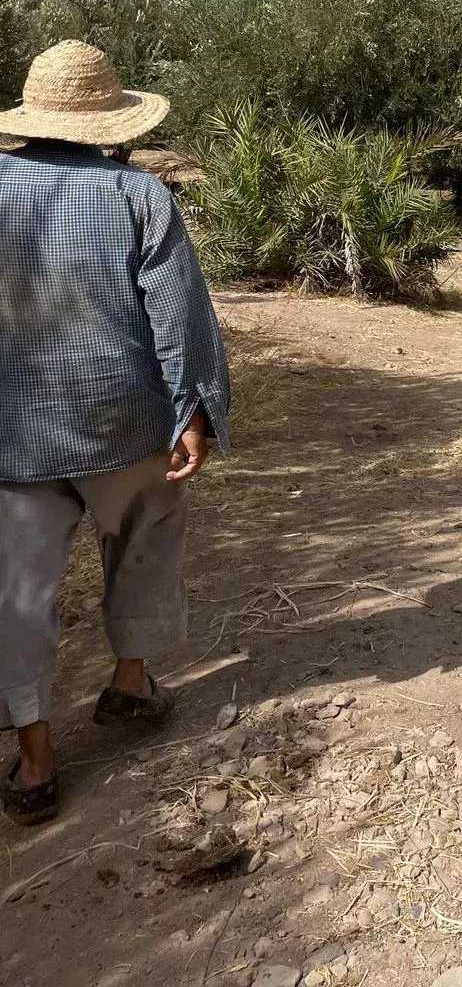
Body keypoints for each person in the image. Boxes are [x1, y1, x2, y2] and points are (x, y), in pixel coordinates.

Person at [0, 40, 229, 826]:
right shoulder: (140, 196)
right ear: (110, 122)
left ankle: (34, 759)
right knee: (145, 535)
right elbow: (179, 317)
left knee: (15, 594)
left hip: (12, 437)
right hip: (124, 423)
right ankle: (130, 685)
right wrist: (192, 411)